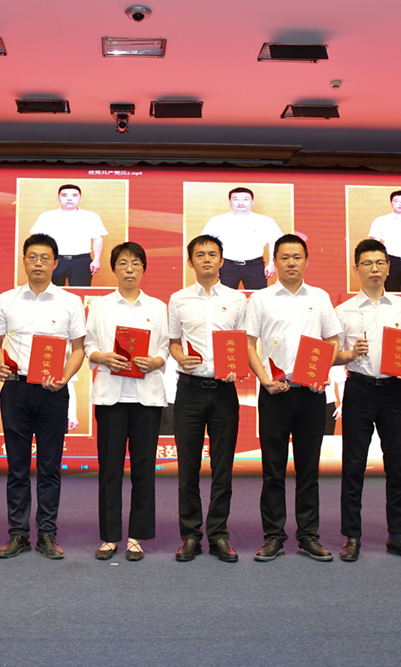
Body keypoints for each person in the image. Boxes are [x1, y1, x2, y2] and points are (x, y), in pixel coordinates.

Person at [0, 234, 86, 559]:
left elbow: (78, 349)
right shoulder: (6, 299)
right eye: (32, 257)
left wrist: (64, 378)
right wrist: (1, 364)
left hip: (53, 392)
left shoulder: (70, 302)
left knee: (49, 467)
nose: (38, 263)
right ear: (24, 261)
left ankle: (47, 534)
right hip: (15, 389)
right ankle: (17, 534)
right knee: (17, 466)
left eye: (45, 258)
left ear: (56, 263)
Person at [245, 234, 342, 562]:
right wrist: (265, 380)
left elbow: (332, 341)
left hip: (311, 394)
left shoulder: (320, 297)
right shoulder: (260, 299)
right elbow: (248, 343)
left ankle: (308, 536)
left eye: (296, 257)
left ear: (306, 261)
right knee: (273, 469)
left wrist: (322, 371)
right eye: (284, 257)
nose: (290, 263)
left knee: (308, 470)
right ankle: (273, 536)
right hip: (275, 393)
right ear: (274, 262)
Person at [333, 239, 401, 562]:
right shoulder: (343, 310)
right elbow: (331, 355)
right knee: (353, 465)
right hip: (359, 389)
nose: (374, 268)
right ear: (356, 268)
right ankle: (352, 536)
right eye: (367, 263)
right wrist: (348, 354)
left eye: (380, 263)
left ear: (388, 268)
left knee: (397, 465)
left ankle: (397, 535)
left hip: (394, 391)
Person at [84, 242, 169, 562]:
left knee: (144, 468)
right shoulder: (100, 305)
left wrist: (156, 361)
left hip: (147, 397)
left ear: (144, 268)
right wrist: (102, 357)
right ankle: (109, 537)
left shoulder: (157, 307)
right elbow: (89, 344)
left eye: (135, 263)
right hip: (111, 396)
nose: (129, 269)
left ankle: (137, 537)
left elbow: (164, 348)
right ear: (113, 269)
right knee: (109, 469)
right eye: (122, 263)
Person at [168, 235, 248, 562]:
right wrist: (179, 357)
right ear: (190, 262)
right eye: (199, 255)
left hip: (224, 391)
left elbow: (243, 343)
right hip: (189, 390)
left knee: (222, 467)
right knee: (187, 467)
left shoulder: (238, 299)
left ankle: (218, 534)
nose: (206, 259)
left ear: (221, 261)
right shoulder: (178, 299)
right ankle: (190, 535)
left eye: (212, 254)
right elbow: (173, 341)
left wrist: (238, 368)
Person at [201, 187, 302, 291]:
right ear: (229, 201)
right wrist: (212, 265)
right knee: (223, 297)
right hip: (226, 266)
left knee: (258, 297)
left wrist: (272, 264)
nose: (241, 203)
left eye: (245, 199)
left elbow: (276, 242)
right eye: (236, 199)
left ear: (253, 201)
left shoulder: (265, 221)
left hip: (255, 266)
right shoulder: (217, 221)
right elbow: (205, 244)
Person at [29, 183, 108, 286]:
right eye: (64, 195)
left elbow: (97, 239)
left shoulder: (91, 217)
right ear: (58, 199)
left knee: (79, 292)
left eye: (74, 195)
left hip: (81, 261)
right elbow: (36, 240)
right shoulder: (47, 216)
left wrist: (96, 260)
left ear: (80, 199)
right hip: (53, 259)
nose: (69, 199)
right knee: (50, 291)